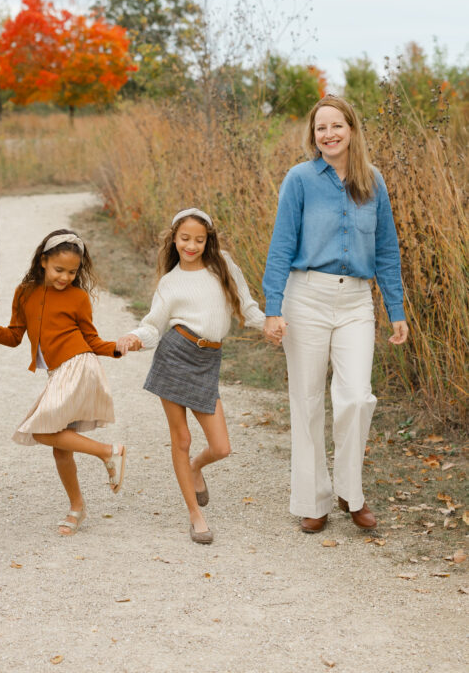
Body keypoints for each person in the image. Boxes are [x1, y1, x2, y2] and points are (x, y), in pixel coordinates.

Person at [262, 94, 409, 534]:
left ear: (352, 130)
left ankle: (351, 492)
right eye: (320, 128)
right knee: (307, 402)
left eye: (336, 126)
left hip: (356, 303)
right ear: (313, 135)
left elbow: (386, 250)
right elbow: (282, 245)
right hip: (305, 297)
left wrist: (396, 307)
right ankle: (314, 500)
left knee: (356, 397)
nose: (328, 134)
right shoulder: (300, 179)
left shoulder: (373, 182)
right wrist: (273, 308)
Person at [119, 208, 265, 545]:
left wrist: (271, 325)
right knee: (181, 439)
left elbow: (247, 305)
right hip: (175, 355)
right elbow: (153, 325)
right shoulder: (170, 281)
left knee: (221, 446)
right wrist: (135, 338)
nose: (191, 245)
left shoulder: (222, 265)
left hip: (208, 359)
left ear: (208, 240)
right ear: (174, 239)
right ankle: (195, 516)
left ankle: (197, 468)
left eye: (199, 239)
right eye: (185, 239)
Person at [0, 229, 132, 537]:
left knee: (43, 431)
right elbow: (15, 336)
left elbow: (91, 339)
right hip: (58, 373)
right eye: (59, 270)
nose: (65, 277)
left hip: (78, 367)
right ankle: (77, 508)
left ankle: (108, 452)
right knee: (59, 447)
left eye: (73, 272)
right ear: (43, 261)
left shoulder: (78, 297)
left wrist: (116, 347)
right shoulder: (25, 292)